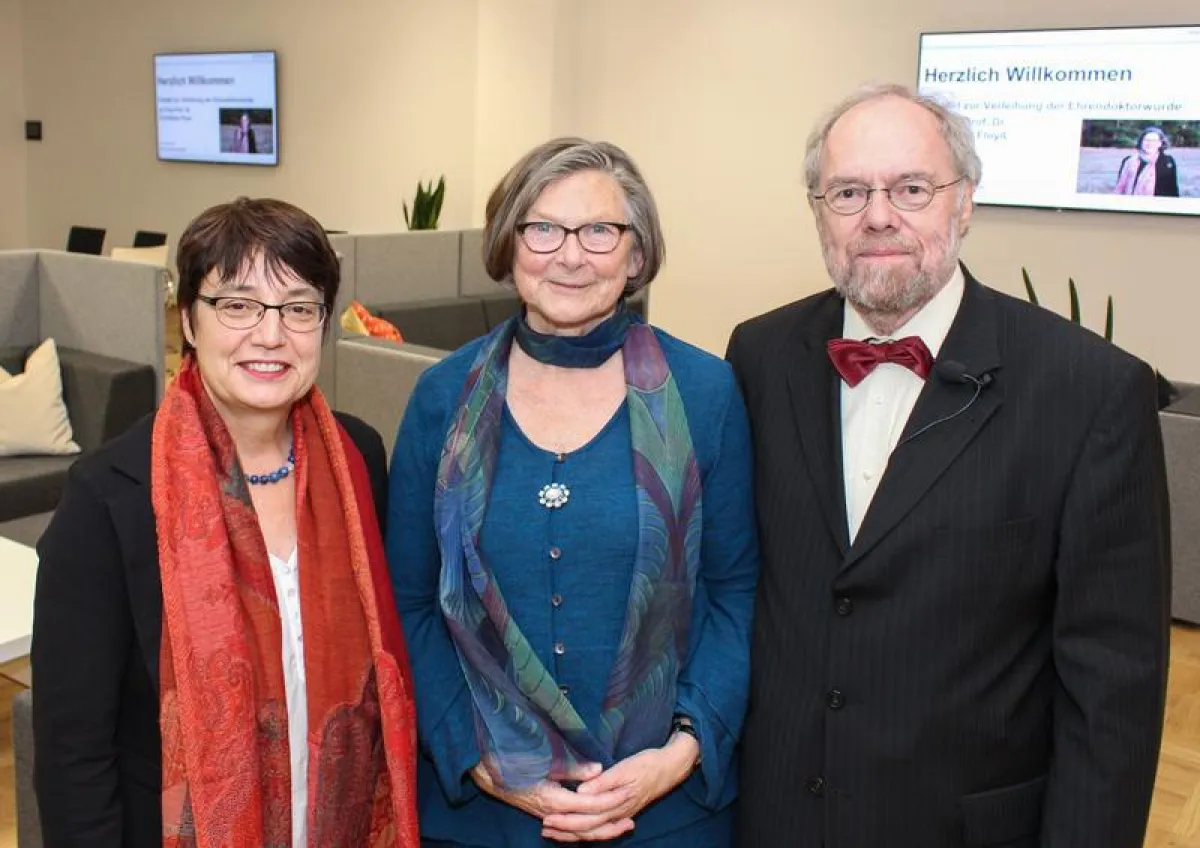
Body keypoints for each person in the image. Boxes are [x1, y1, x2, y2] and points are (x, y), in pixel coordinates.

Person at [727, 83, 1170, 847]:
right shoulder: (757, 357)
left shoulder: (1090, 393)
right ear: (817, 209)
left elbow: (1114, 695)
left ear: (965, 202)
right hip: (774, 817)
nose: (877, 214)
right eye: (848, 191)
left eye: (911, 188)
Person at [386, 137, 759, 845]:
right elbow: (406, 600)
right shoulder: (442, 398)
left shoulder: (704, 392)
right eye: (543, 228)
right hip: (483, 814)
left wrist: (677, 755)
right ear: (509, 245)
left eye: (599, 231)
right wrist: (483, 764)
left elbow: (737, 592)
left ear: (637, 255)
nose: (569, 254)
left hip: (664, 813)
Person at [32, 197, 421, 847]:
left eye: (299, 308)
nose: (270, 335)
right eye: (237, 305)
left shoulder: (357, 459)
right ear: (188, 319)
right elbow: (73, 757)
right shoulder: (108, 499)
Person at [1115, 126, 1179, 196]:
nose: (1149, 143)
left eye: (1154, 141)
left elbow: (1172, 190)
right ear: (1141, 142)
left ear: (1160, 143)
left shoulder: (1167, 162)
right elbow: (1119, 187)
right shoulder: (1128, 161)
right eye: (1146, 140)